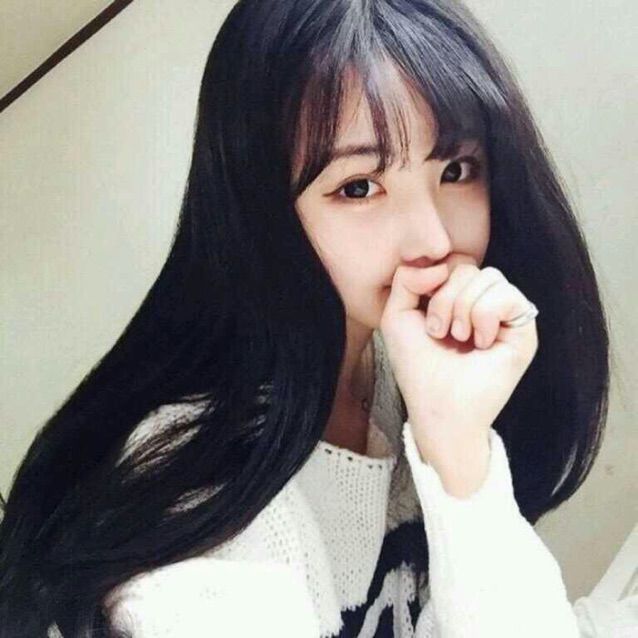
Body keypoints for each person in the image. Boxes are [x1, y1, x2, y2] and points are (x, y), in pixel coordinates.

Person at [0, 0, 615, 636]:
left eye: (456, 170)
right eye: (359, 187)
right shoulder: (199, 495)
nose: (433, 239)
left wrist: (458, 450)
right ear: (261, 208)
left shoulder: (397, 372)